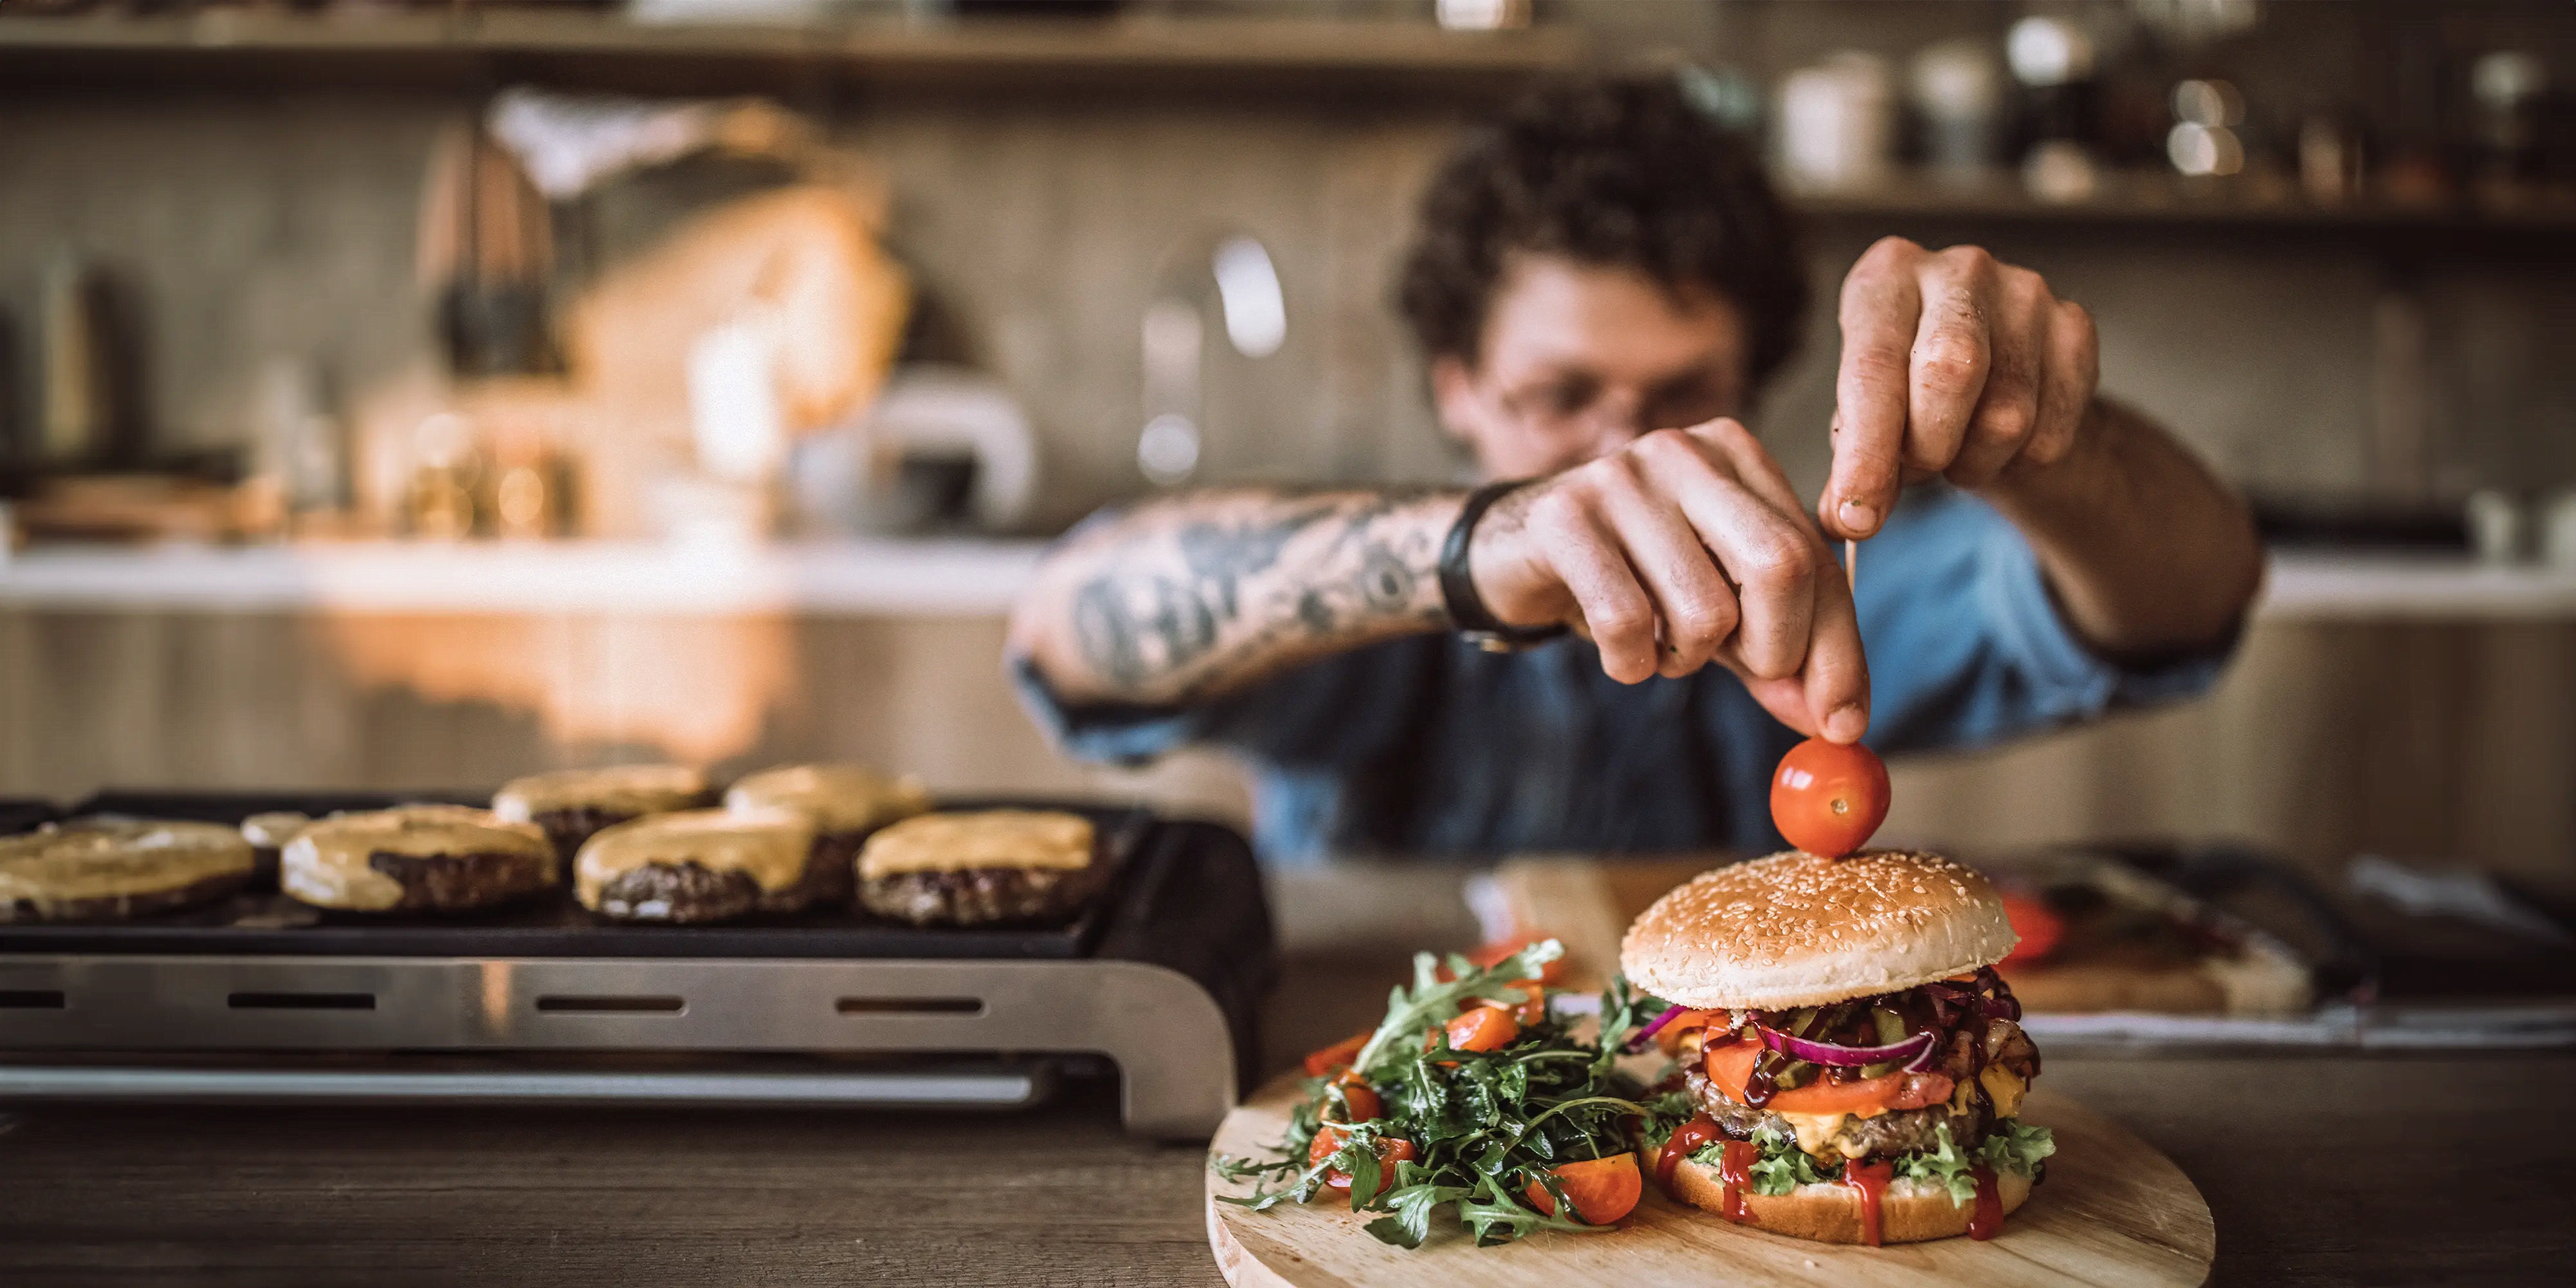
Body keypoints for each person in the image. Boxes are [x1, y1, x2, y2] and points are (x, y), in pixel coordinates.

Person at [1007, 77, 2263, 865]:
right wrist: (1471, 552)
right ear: (1455, 385)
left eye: (1678, 397)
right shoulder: (1360, 611)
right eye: (1557, 398)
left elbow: (2185, 602)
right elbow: (1067, 628)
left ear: (1753, 378)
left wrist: (2042, 437)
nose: (1620, 453)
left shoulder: (1823, 570)